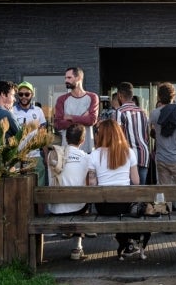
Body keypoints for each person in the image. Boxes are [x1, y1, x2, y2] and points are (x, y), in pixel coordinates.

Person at [87, 119, 142, 258]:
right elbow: (136, 181)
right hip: (125, 206)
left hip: (104, 207)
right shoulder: (129, 152)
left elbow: (92, 184)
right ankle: (127, 242)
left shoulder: (94, 155)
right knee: (127, 208)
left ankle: (124, 241)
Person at [47, 123, 91, 260]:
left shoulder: (52, 155)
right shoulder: (86, 158)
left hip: (55, 207)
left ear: (66, 138)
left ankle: (68, 233)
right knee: (85, 200)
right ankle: (77, 247)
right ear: (83, 140)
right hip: (77, 207)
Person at [149, 82, 176, 212]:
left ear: (159, 97)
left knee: (163, 191)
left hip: (161, 157)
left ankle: (165, 220)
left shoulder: (154, 114)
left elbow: (152, 131)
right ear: (173, 95)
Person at [54, 67, 99, 152]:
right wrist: (83, 118)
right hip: (67, 151)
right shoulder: (61, 99)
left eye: (69, 78)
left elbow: (92, 120)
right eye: (65, 78)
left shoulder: (93, 97)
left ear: (79, 78)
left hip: (88, 150)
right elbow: (58, 124)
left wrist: (70, 117)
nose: (66, 81)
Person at [12, 81, 48, 185]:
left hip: (35, 155)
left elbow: (43, 135)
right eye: (21, 94)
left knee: (39, 186)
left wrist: (45, 156)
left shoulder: (38, 111)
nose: (24, 97)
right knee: (19, 186)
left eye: (27, 94)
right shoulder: (12, 111)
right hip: (17, 156)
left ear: (32, 94)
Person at [114, 82, 151, 185]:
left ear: (120, 95)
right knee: (141, 191)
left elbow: (118, 137)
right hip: (144, 154)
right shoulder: (143, 112)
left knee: (130, 193)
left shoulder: (120, 112)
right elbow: (146, 136)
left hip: (127, 156)